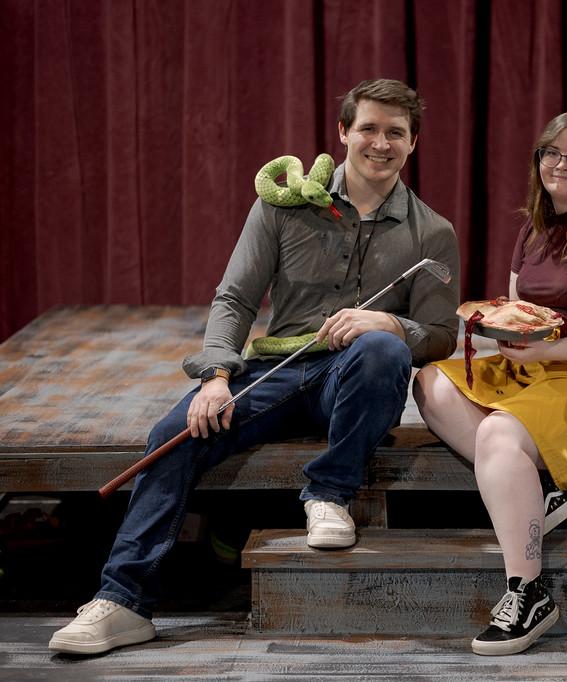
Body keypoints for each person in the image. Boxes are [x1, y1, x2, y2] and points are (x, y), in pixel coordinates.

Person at [48, 78, 460, 655]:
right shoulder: (282, 205)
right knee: (175, 433)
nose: (381, 143)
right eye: (368, 128)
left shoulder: (432, 234)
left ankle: (329, 495)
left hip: (357, 382)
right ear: (344, 132)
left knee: (383, 350)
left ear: (413, 143)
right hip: (282, 372)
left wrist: (391, 325)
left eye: (396, 132)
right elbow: (235, 299)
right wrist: (216, 378)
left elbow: (441, 336)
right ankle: (122, 601)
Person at [414, 111, 567, 656]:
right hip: (539, 367)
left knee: (499, 435)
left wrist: (548, 349)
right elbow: (519, 307)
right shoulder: (533, 225)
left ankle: (526, 592)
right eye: (551, 152)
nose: (562, 164)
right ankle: (538, 497)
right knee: (431, 383)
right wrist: (504, 329)